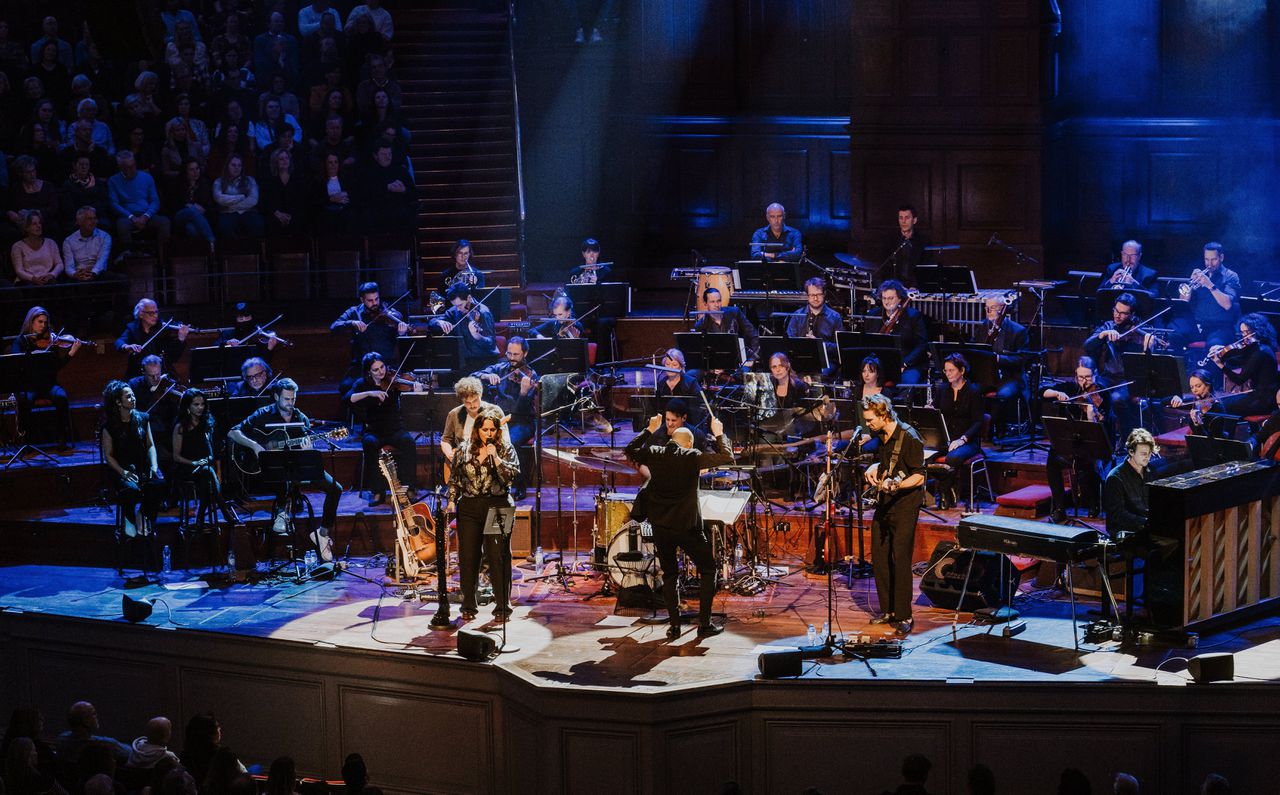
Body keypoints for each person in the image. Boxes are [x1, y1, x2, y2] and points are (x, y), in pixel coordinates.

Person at [625, 412, 733, 639]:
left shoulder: (655, 452)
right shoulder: (692, 456)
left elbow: (630, 450)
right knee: (708, 569)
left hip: (661, 527)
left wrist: (649, 430)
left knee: (670, 574)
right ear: (689, 444)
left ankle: (674, 626)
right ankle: (704, 624)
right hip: (687, 527)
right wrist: (719, 433)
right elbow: (727, 456)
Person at [228, 378, 343, 561]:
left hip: (298, 466)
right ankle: (282, 512)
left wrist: (307, 450)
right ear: (276, 397)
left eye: (293, 399)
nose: (290, 404)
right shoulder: (263, 414)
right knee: (284, 472)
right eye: (286, 399)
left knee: (336, 488)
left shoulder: (300, 418)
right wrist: (256, 446)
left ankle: (322, 534)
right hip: (269, 469)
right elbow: (233, 432)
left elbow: (305, 449)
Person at [861, 394, 926, 635]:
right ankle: (887, 609)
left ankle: (903, 614)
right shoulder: (882, 436)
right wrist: (873, 466)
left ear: (883, 415)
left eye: (870, 420)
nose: (867, 424)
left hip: (906, 504)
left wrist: (897, 486)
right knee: (879, 554)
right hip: (885, 502)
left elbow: (919, 475)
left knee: (900, 557)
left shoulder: (909, 437)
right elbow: (886, 462)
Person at [448, 407, 520, 622]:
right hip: (469, 507)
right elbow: (455, 479)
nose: (488, 433)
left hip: (498, 505)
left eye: (492, 429)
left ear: (497, 430)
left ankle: (502, 606)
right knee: (469, 557)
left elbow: (511, 478)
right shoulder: (463, 449)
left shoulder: (505, 449)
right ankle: (468, 604)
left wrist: (496, 458)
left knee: (498, 556)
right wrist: (451, 500)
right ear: (477, 429)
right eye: (484, 429)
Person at [347, 352, 421, 505]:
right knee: (369, 444)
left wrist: (417, 389)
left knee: (409, 443)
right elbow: (349, 398)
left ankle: (409, 488)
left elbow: (411, 394)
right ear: (369, 371)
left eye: (382, 367)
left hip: (395, 429)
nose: (381, 372)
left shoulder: (393, 382)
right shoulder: (362, 384)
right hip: (374, 430)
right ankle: (377, 491)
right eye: (376, 370)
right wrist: (370, 392)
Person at [1042, 357, 1111, 521]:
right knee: (1052, 460)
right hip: (1071, 440)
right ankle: (1059, 507)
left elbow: (1101, 429)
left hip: (1092, 443)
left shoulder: (1102, 393)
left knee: (1086, 463)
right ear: (1076, 377)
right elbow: (1042, 392)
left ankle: (1093, 503)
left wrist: (1090, 415)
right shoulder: (1071, 388)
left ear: (1095, 375)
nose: (1085, 382)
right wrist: (1057, 393)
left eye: (1088, 377)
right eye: (1081, 377)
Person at [472, 337, 537, 498]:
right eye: (509, 353)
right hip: (498, 420)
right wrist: (487, 377)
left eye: (516, 354)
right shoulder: (500, 368)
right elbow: (473, 375)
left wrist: (523, 392)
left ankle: (519, 484)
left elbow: (522, 409)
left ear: (525, 353)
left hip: (522, 421)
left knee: (510, 441)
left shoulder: (530, 375)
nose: (512, 358)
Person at [101, 380, 164, 541]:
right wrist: (123, 472)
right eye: (128, 397)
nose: (133, 398)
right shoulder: (110, 426)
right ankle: (129, 522)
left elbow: (150, 445)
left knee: (159, 485)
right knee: (131, 490)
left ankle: (143, 516)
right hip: (121, 469)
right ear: (118, 402)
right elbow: (108, 455)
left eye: (133, 395)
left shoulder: (143, 418)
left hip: (142, 465)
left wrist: (154, 465)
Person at [172, 388, 240, 534]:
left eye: (202, 404)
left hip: (205, 467)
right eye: (196, 404)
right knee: (207, 474)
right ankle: (225, 512)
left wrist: (218, 470)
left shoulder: (207, 423)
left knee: (207, 478)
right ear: (188, 406)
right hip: (187, 468)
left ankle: (200, 519)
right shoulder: (180, 427)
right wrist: (195, 463)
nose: (200, 408)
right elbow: (176, 456)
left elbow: (213, 451)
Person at [11, 306, 78, 449]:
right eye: (40, 322)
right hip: (28, 386)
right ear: (31, 322)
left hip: (48, 385)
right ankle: (26, 441)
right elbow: (16, 364)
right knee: (24, 400)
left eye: (45, 322)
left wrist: (71, 353)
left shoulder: (51, 342)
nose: (43, 325)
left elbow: (56, 366)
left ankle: (62, 438)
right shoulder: (21, 341)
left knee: (61, 397)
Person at [330, 282, 410, 395]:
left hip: (385, 367)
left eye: (376, 299)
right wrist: (351, 322)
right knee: (345, 388)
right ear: (362, 300)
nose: (375, 303)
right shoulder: (354, 312)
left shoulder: (389, 314)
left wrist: (402, 334)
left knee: (396, 390)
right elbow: (334, 327)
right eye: (370, 300)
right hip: (362, 367)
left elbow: (402, 342)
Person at [929, 353, 984, 508]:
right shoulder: (942, 389)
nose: (948, 374)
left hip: (968, 441)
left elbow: (978, 421)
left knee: (952, 458)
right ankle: (948, 489)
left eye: (951, 370)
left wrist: (963, 439)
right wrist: (931, 410)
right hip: (946, 439)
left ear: (962, 371)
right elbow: (937, 411)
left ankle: (945, 492)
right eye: (946, 371)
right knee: (924, 455)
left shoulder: (973, 391)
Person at [1206, 312, 1279, 417]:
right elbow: (1239, 360)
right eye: (1242, 332)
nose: (1245, 336)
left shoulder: (1261, 352)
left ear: (1257, 330)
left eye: (1247, 332)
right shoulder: (1258, 347)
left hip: (1264, 401)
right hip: (1257, 395)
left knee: (1222, 406)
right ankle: (1227, 431)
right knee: (1220, 403)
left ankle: (1226, 432)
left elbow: (1239, 380)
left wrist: (1219, 364)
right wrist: (1222, 350)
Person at [1176, 242, 1240, 349]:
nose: (1209, 264)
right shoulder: (1200, 276)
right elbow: (1183, 303)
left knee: (1213, 345)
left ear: (1221, 258)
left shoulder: (1231, 276)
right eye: (1206, 259)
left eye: (1213, 259)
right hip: (1199, 326)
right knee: (1175, 336)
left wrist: (1209, 285)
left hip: (1221, 328)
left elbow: (1227, 304)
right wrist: (1191, 284)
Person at [440, 376, 507, 479]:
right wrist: (449, 454)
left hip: (488, 462)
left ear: (480, 394)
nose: (472, 405)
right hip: (463, 464)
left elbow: (506, 441)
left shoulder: (495, 411)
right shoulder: (454, 414)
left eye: (475, 400)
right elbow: (445, 440)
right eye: (467, 402)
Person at [980, 294, 1029, 432]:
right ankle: (977, 429)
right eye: (987, 308)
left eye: (993, 308)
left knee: (1002, 395)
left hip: (1011, 378)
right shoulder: (984, 326)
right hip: (989, 377)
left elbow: (1021, 360)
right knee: (971, 390)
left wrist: (997, 359)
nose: (989, 311)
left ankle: (995, 429)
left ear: (1003, 309)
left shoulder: (1018, 331)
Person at [107, 150, 170, 255]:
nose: (132, 169)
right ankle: (130, 257)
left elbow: (155, 201)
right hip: (127, 216)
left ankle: (162, 257)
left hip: (147, 214)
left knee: (164, 222)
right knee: (122, 225)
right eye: (128, 167)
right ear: (121, 168)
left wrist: (146, 216)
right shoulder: (113, 181)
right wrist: (131, 217)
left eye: (133, 165)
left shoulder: (147, 177)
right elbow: (114, 203)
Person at [866, 279, 927, 384]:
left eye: (890, 298)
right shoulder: (873, 315)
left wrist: (905, 364)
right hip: (881, 363)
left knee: (906, 382)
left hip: (908, 364)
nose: (886, 302)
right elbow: (868, 341)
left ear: (899, 298)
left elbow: (921, 344)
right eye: (884, 298)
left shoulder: (913, 316)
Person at [427, 282, 499, 371]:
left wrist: (477, 336)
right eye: (455, 306)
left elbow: (491, 344)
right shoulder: (455, 311)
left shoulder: (483, 312)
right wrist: (439, 322)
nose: (458, 309)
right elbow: (431, 323)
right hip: (466, 362)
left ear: (468, 298)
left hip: (485, 362)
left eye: (460, 305)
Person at [116, 298, 189, 378]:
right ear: (141, 314)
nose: (155, 316)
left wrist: (181, 339)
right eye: (151, 313)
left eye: (156, 312)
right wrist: (127, 346)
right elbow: (119, 341)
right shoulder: (133, 328)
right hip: (138, 375)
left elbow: (173, 357)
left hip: (161, 373)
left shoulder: (163, 330)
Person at [692, 287, 759, 368]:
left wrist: (752, 359)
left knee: (745, 373)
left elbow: (754, 335)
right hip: (715, 364)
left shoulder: (734, 313)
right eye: (712, 302)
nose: (717, 305)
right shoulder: (700, 325)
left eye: (719, 301)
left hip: (738, 362)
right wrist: (711, 369)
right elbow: (700, 352)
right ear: (705, 304)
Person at [52, 702, 130, 768]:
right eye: (93, 714)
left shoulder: (61, 740)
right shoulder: (106, 745)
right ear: (86, 721)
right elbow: (130, 754)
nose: (96, 717)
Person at [784, 277, 844, 363]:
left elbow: (839, 347)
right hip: (801, 359)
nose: (815, 298)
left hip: (827, 361)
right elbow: (789, 342)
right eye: (812, 295)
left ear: (824, 294)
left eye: (819, 294)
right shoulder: (797, 315)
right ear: (807, 296)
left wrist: (818, 344)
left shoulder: (835, 317)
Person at [211, 153, 263, 241]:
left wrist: (230, 205)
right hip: (227, 213)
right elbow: (219, 198)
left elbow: (253, 200)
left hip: (247, 211)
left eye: (239, 165)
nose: (237, 168)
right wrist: (241, 197)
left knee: (258, 225)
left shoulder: (250, 180)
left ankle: (253, 252)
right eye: (233, 165)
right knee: (223, 227)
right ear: (227, 166)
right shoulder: (219, 181)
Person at [10, 210, 63, 285]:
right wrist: (33, 278)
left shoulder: (50, 243)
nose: (39, 226)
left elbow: (59, 264)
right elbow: (19, 270)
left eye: (39, 223)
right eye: (34, 224)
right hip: (27, 281)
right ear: (26, 228)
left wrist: (52, 274)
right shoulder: (17, 246)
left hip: (47, 279)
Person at [61, 205, 112, 281]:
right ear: (79, 222)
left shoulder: (105, 237)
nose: (94, 222)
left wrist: (93, 273)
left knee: (121, 279)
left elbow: (102, 260)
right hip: (79, 274)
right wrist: (75, 274)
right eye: (89, 219)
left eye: (95, 218)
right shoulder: (68, 241)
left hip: (99, 273)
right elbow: (69, 266)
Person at [1169, 368, 1224, 436]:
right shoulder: (1196, 402)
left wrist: (1197, 424)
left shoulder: (1217, 408)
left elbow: (1209, 440)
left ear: (1208, 385)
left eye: (1198, 386)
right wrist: (1176, 397)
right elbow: (1163, 402)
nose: (1194, 390)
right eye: (1192, 387)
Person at [887, 204, 931, 286]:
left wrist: (915, 286)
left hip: (916, 286)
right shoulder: (891, 241)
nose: (903, 221)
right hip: (895, 286)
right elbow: (886, 269)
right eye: (901, 218)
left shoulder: (924, 241)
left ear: (914, 220)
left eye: (907, 218)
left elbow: (926, 268)